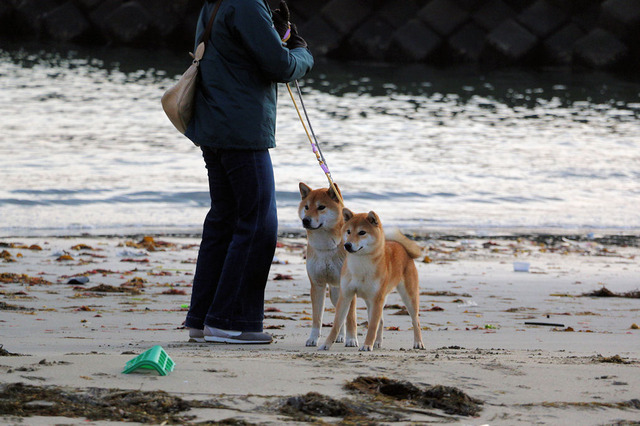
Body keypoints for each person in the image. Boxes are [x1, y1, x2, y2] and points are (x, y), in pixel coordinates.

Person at [183, 0, 313, 344]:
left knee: (224, 222)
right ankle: (228, 321)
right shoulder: (246, 3)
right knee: (258, 224)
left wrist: (277, 32)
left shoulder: (218, 2)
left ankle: (203, 318)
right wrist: (303, 53)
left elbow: (238, 53)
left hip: (214, 127)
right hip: (240, 130)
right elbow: (280, 65)